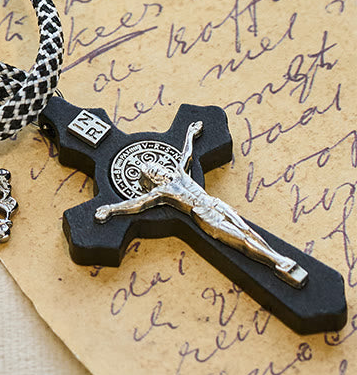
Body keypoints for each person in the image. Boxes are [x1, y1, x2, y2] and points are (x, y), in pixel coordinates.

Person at [95, 121, 307, 287]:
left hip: (215, 203)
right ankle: (277, 263)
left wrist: (190, 132)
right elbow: (137, 204)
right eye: (153, 172)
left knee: (247, 230)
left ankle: (280, 258)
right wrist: (110, 209)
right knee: (241, 240)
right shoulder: (162, 192)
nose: (158, 170)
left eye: (157, 166)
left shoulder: (180, 173)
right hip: (206, 216)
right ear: (153, 180)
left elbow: (187, 153)